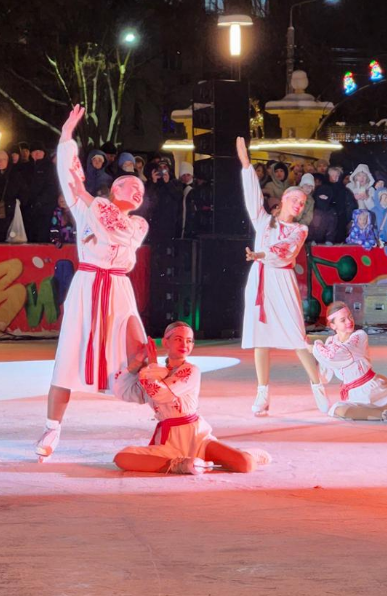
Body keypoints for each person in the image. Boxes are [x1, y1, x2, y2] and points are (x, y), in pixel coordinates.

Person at [35, 105, 150, 460]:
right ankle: (52, 428)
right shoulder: (89, 207)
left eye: (138, 189)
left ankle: (168, 417)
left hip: (117, 290)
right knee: (69, 353)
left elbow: (117, 230)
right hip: (87, 286)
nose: (134, 189)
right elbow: (70, 177)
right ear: (114, 188)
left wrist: (90, 200)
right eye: (128, 184)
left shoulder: (137, 225)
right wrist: (67, 137)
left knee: (137, 351)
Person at [236, 137, 328, 417]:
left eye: (303, 202)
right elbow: (252, 197)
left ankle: (318, 386)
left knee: (297, 337)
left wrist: (262, 255)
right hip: (260, 280)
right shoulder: (264, 221)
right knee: (259, 337)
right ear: (284, 200)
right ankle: (262, 394)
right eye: (295, 200)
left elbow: (285, 252)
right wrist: (246, 165)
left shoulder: (299, 231)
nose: (299, 205)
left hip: (281, 280)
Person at [113, 322, 272, 474]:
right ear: (165, 342)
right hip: (168, 441)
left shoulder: (190, 370)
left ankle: (243, 454)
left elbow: (161, 394)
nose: (184, 344)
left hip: (196, 437)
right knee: (122, 458)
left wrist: (152, 364)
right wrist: (137, 361)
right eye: (178, 339)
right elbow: (123, 391)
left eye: (189, 341)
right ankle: (180, 465)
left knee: (245, 464)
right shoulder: (151, 374)